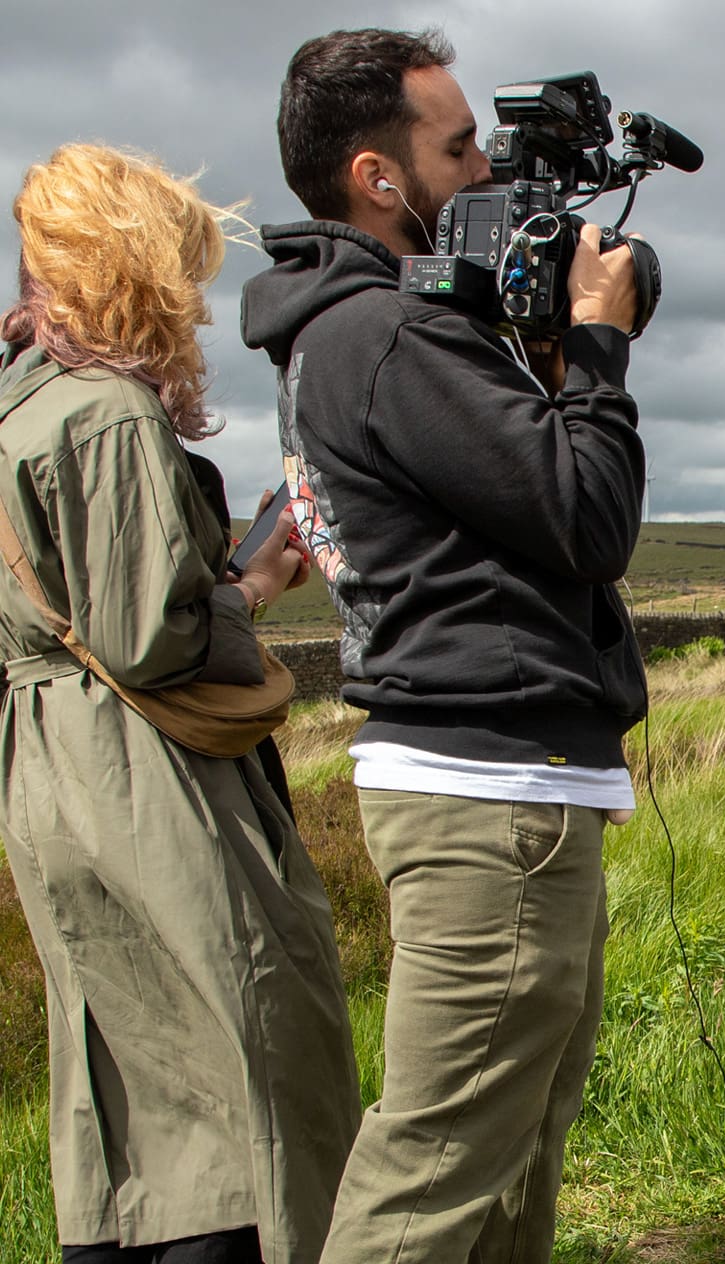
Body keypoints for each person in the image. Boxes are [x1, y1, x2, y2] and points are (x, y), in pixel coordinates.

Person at [240, 28, 647, 1264]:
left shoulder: (361, 334)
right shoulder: (387, 336)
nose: (484, 173)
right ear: (376, 176)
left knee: (510, 1146)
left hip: (498, 779)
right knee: (433, 1168)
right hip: (491, 790)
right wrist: (598, 345)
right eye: (459, 146)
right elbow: (587, 519)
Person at [0, 144, 361, 1264]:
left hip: (47, 765)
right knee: (243, 1046)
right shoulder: (106, 412)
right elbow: (150, 639)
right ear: (136, 264)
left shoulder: (18, 401)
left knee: (125, 1069)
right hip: (142, 769)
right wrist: (250, 584)